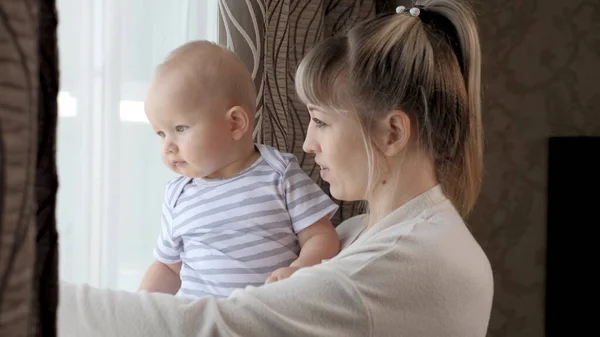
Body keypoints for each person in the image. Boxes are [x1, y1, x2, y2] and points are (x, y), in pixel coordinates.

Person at [58, 0, 494, 335]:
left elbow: (212, 325)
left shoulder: (384, 267)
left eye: (321, 121)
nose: (307, 142)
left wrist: (31, 294)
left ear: (392, 133)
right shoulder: (363, 234)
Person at [137, 41, 340, 298]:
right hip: (199, 322)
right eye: (160, 133)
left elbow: (321, 236)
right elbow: (168, 267)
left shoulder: (279, 173)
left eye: (179, 128)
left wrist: (299, 269)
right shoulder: (178, 195)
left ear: (235, 123)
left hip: (261, 317)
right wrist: (141, 307)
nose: (168, 146)